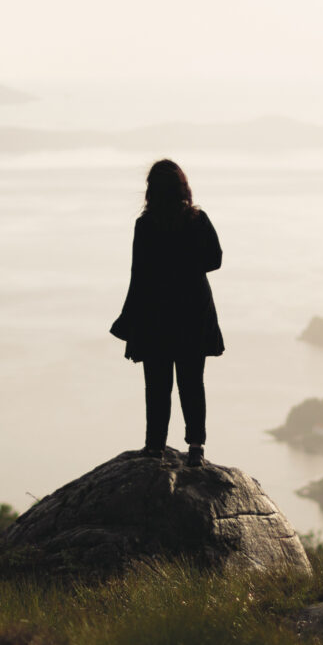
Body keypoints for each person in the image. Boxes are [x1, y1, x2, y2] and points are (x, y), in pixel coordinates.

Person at [110, 158, 224, 464]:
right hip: (193, 314)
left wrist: (128, 321)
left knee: (157, 386)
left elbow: (139, 276)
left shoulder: (146, 226)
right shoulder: (197, 220)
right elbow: (215, 259)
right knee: (192, 383)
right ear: (182, 188)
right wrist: (187, 264)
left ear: (152, 192)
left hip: (156, 316)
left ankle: (155, 447)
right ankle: (196, 449)